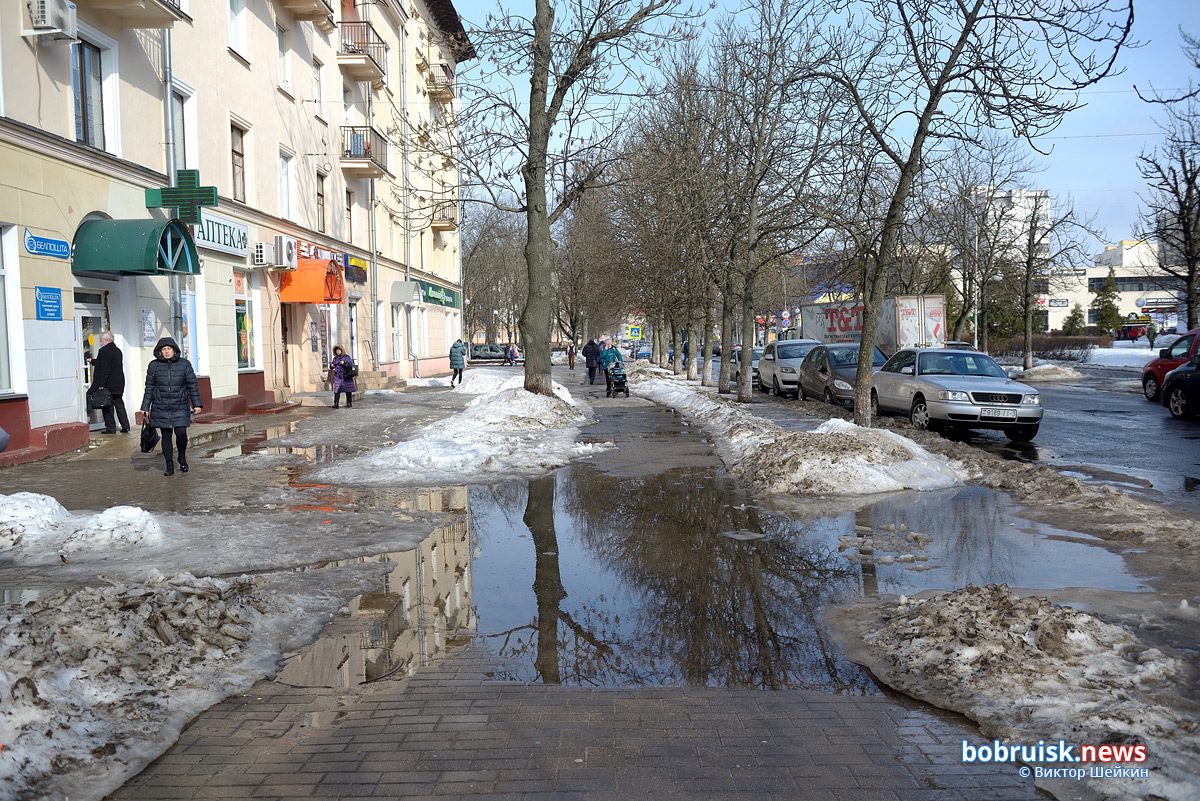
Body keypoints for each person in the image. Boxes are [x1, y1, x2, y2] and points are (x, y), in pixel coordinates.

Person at [140, 336, 202, 476]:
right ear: (159, 351)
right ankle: (169, 465)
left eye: (169, 349)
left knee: (181, 433)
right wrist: (145, 407)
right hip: (160, 405)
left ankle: (182, 457)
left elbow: (192, 385)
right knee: (166, 436)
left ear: (174, 350)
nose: (166, 352)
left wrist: (196, 404)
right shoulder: (153, 366)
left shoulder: (184, 364)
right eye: (163, 349)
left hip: (179, 405)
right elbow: (149, 387)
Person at [89, 331, 130, 434]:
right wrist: (93, 361)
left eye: (101, 340)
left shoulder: (104, 351)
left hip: (108, 383)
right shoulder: (117, 350)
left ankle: (110, 428)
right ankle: (125, 426)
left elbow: (105, 368)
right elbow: (107, 363)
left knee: (107, 406)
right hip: (119, 382)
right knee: (119, 404)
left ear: (105, 340)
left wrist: (101, 384)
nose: (100, 342)